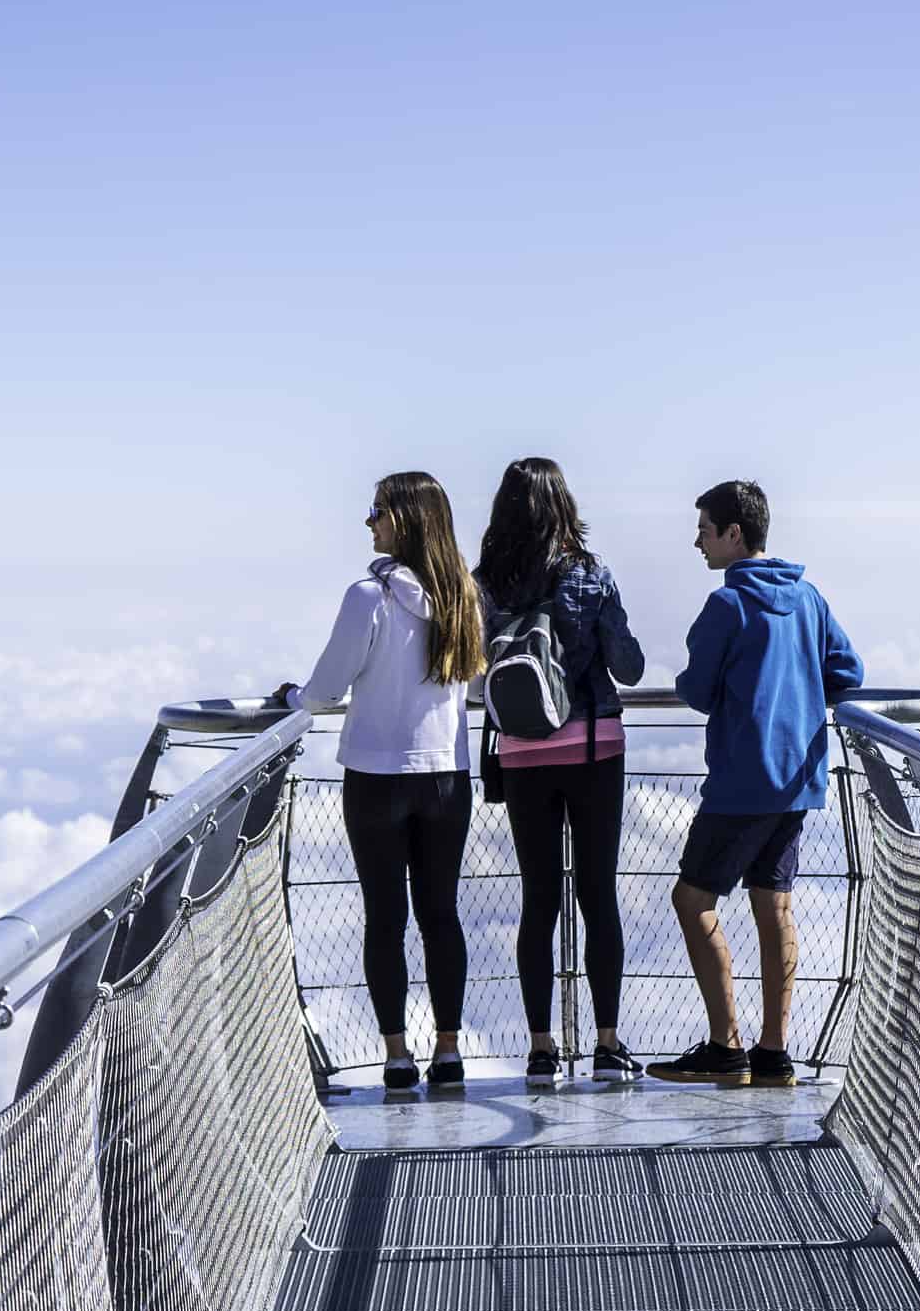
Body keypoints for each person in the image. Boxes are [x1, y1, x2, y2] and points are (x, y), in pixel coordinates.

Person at [273, 471, 487, 1095]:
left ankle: (396, 1056)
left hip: (375, 776)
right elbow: (471, 682)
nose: (368, 523)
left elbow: (324, 691)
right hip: (446, 775)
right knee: (441, 915)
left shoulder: (369, 596)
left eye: (377, 512)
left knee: (385, 917)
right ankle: (449, 1051)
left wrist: (290, 696)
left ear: (406, 521)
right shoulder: (462, 597)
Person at [652, 479, 863, 1087]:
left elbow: (696, 690)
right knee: (774, 905)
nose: (698, 542)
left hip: (741, 783)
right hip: (796, 780)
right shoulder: (809, 598)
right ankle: (775, 1052)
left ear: (733, 533)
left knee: (692, 901)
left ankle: (727, 1045)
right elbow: (848, 671)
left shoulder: (728, 605)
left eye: (705, 529)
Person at [475, 457, 649, 1085]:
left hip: (522, 754)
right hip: (594, 750)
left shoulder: (485, 583)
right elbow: (629, 668)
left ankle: (542, 1050)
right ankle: (606, 1046)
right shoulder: (590, 577)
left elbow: (476, 676)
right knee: (598, 895)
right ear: (564, 505)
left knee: (538, 900)